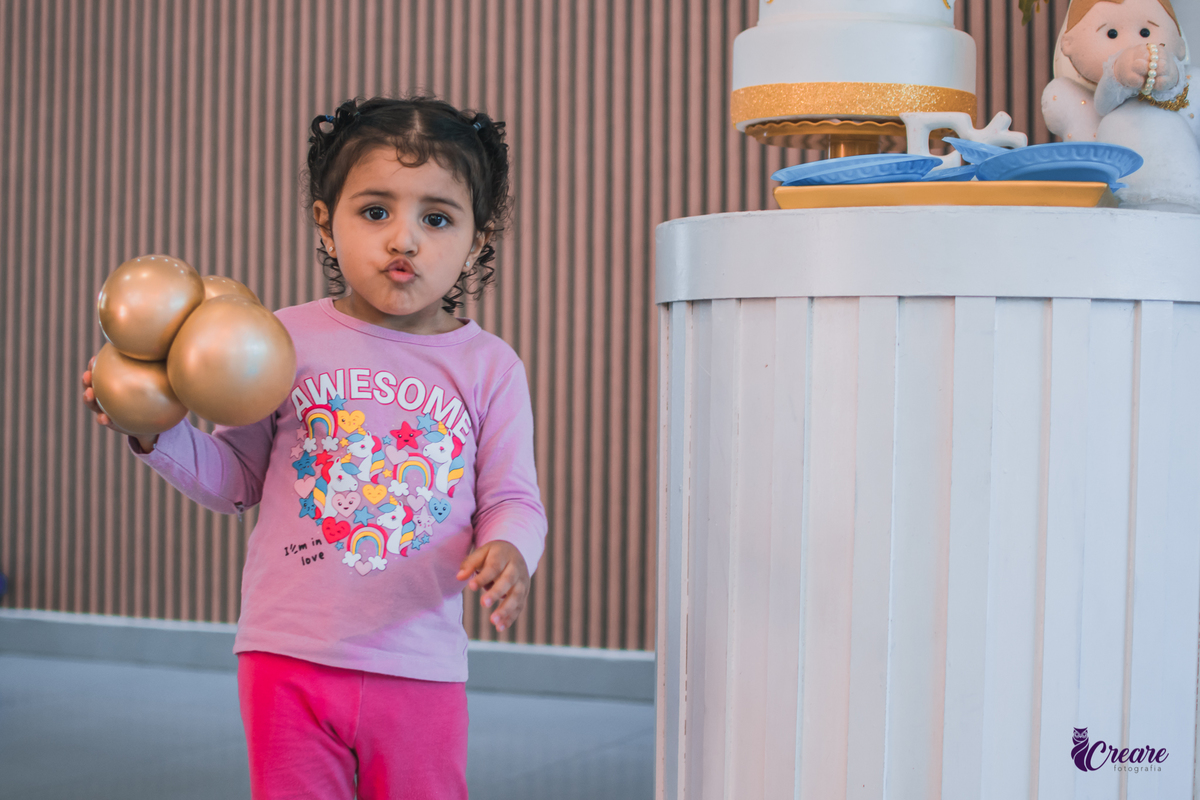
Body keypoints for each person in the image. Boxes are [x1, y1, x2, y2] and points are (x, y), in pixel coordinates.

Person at [81, 96, 547, 799]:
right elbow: (237, 481)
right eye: (376, 211)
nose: (404, 240)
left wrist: (511, 548)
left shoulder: (490, 368)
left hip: (418, 664)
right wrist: (155, 431)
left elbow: (513, 497)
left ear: (477, 241)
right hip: (286, 656)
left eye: (437, 218)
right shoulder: (280, 340)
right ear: (327, 225)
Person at [1042, 0, 1199, 211]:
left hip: (1183, 185)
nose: (1133, 45)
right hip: (1123, 193)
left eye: (1145, 32)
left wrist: (1169, 75)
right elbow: (1103, 103)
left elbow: (1176, 95)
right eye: (1112, 34)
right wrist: (1118, 74)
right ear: (1068, 44)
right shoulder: (1109, 89)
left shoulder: (1185, 83)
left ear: (1180, 45)